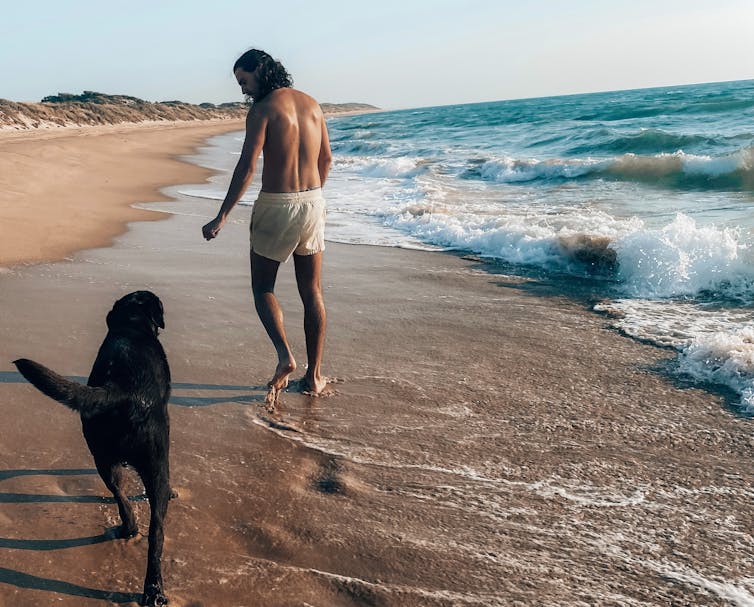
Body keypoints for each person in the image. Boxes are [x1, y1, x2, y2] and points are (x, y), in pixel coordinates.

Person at [202, 49, 333, 405]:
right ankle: (314, 377)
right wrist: (311, 197)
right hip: (314, 201)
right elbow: (327, 160)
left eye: (245, 81)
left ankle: (285, 356)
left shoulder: (261, 110)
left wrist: (223, 215)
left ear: (260, 71)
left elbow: (247, 166)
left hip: (277, 204)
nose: (244, 91)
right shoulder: (313, 104)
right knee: (312, 291)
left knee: (263, 287)